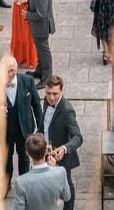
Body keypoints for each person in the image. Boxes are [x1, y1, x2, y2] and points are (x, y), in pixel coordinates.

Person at [0, 57, 43, 183]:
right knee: (6, 158)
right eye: (7, 71)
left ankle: (24, 182)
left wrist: (40, 128)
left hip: (24, 129)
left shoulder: (27, 81)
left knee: (25, 158)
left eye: (13, 70)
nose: (11, 74)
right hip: (4, 130)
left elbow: (36, 105)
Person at [39, 76, 83, 209]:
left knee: (67, 186)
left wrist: (64, 149)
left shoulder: (67, 110)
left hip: (61, 156)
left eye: (55, 94)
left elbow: (78, 137)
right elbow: (44, 125)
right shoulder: (46, 101)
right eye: (48, 93)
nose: (51, 97)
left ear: (62, 91)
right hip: (46, 151)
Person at [12, 133, 71, 210]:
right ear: (46, 151)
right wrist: (53, 169)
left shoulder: (21, 182)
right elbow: (66, 196)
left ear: (27, 153)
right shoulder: (60, 172)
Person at [25, 0, 55, 87]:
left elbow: (40, 14)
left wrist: (27, 14)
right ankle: (39, 71)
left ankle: (47, 78)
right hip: (42, 25)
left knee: (44, 52)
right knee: (40, 50)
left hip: (41, 27)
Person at [10, 0, 38, 70]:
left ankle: (29, 58)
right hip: (17, 7)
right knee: (18, 32)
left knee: (27, 33)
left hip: (26, 7)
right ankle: (19, 57)